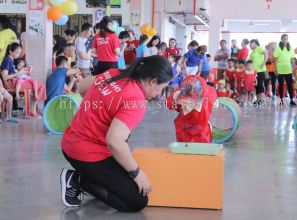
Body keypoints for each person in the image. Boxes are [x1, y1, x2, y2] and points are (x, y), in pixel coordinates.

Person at [60, 56, 173, 211]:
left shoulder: (115, 73)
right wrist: (137, 174)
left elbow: (81, 88)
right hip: (86, 154)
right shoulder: (136, 100)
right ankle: (77, 180)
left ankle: (93, 179)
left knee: (120, 171)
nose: (159, 94)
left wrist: (97, 113)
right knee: (136, 200)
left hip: (70, 142)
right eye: (162, 88)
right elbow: (115, 142)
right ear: (153, 81)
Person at [167, 75, 217, 143]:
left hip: (201, 131)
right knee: (184, 151)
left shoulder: (210, 95)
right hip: (184, 130)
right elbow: (169, 104)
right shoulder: (180, 93)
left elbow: (215, 105)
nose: (188, 103)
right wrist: (175, 97)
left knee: (201, 150)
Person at [274, 34, 296, 106]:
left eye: (286, 39)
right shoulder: (278, 48)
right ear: (281, 40)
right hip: (280, 70)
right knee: (281, 85)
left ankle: (292, 100)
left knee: (290, 85)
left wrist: (294, 68)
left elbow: (292, 60)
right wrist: (276, 70)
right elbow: (275, 60)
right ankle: (281, 100)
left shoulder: (290, 48)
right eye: (284, 39)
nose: (285, 40)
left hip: (288, 70)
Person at [249, 39, 268, 105]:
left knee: (260, 84)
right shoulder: (252, 52)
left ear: (254, 43)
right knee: (256, 85)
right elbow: (249, 61)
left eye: (250, 44)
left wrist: (264, 62)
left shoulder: (259, 48)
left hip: (260, 70)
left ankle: (261, 99)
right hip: (254, 72)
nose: (249, 46)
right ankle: (258, 99)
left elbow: (266, 53)